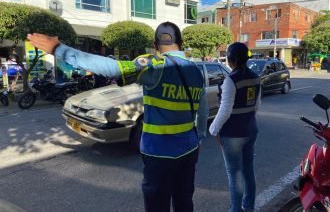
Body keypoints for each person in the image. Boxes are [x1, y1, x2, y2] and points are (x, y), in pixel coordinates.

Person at [27, 21, 209, 212]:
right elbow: (203, 110)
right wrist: (200, 137)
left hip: (159, 152)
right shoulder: (195, 71)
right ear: (181, 43)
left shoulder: (155, 66)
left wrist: (59, 49)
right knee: (184, 200)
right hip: (189, 149)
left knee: (157, 204)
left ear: (155, 46)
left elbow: (111, 67)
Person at [209, 42, 261, 212]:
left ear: (231, 59)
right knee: (248, 171)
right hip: (250, 130)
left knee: (234, 174)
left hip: (232, 135)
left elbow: (225, 110)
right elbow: (257, 105)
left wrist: (213, 129)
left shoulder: (231, 80)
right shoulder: (256, 77)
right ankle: (249, 207)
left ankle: (236, 209)